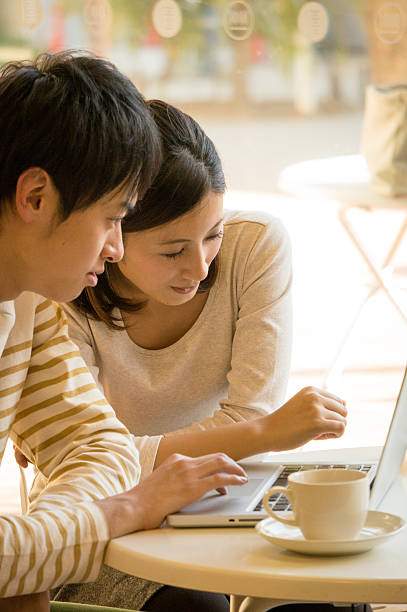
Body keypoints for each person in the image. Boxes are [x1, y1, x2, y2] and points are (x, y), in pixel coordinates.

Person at [45, 100, 350, 612]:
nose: (201, 268)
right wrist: (266, 433)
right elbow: (91, 459)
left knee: (323, 592)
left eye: (213, 235)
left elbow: (242, 411)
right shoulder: (64, 289)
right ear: (115, 235)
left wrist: (155, 452)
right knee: (193, 604)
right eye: (172, 251)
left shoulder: (255, 247)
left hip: (227, 497)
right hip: (108, 524)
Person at [0, 52, 252, 612]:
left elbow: (99, 442)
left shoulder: (27, 303)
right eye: (112, 217)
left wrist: (36, 553)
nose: (115, 247)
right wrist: (122, 511)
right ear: (35, 197)